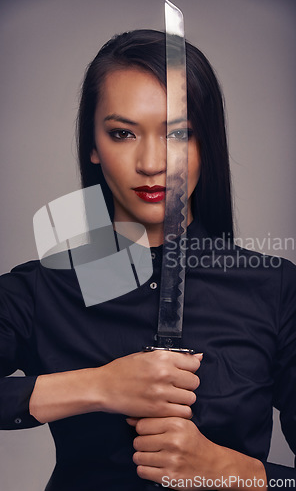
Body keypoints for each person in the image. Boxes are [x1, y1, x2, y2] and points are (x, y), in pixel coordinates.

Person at [0, 29, 295, 491]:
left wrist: (238, 475)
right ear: (94, 146)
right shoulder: (41, 289)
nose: (152, 161)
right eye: (123, 133)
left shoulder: (275, 288)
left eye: (178, 133)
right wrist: (95, 387)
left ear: (206, 145)